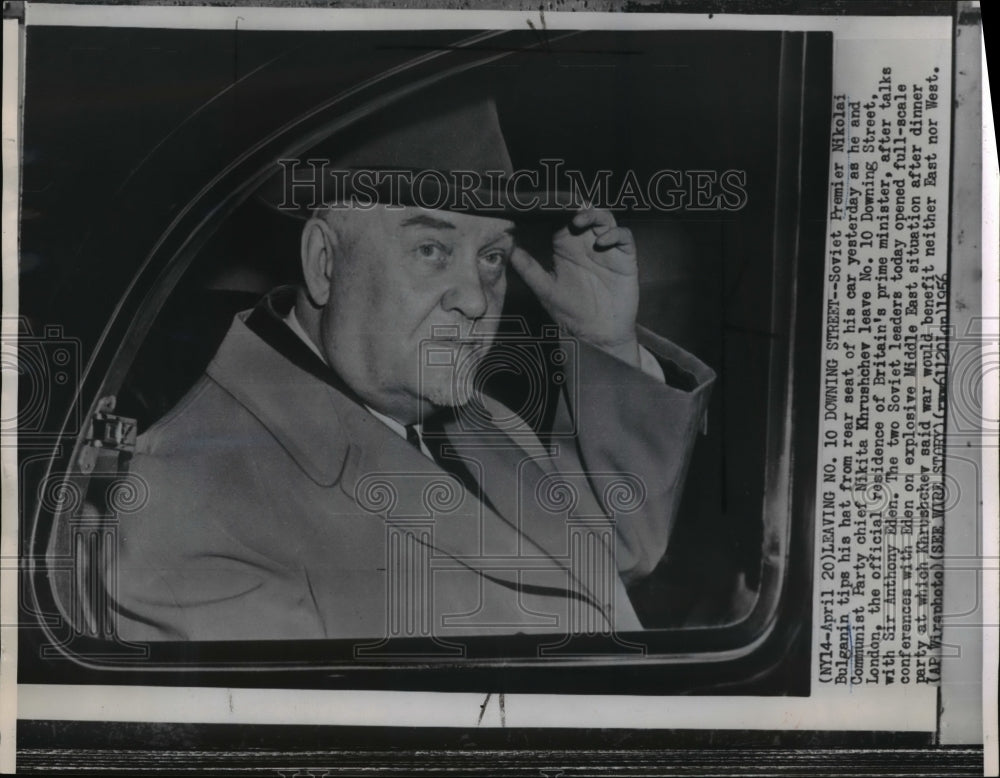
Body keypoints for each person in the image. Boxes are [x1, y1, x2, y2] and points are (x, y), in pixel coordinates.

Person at [107, 97, 715, 642]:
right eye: (432, 250)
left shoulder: (475, 418)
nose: (477, 301)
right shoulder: (189, 499)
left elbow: (611, 557)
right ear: (323, 262)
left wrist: (603, 344)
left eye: (492, 257)